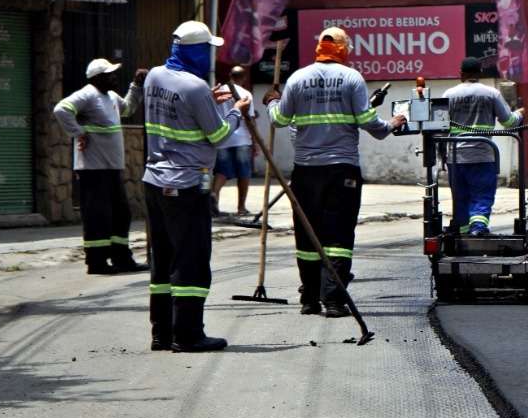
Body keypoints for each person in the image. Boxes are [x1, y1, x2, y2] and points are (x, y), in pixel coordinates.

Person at [264, 26, 405, 317]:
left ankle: (310, 299)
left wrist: (272, 101)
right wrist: (391, 125)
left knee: (307, 235)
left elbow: (279, 120)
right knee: (338, 236)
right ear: (342, 48)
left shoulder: (297, 78)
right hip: (342, 171)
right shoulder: (351, 78)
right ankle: (333, 300)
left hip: (305, 171)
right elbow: (369, 122)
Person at [141, 20, 251, 353]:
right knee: (191, 259)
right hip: (186, 183)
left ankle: (162, 332)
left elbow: (182, 113)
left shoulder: (154, 77)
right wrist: (235, 111)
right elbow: (218, 136)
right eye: (207, 50)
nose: (210, 57)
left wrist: (212, 103)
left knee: (162, 259)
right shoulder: (195, 87)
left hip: (154, 181)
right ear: (196, 51)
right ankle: (188, 335)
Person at [52, 57, 145, 275]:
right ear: (98, 78)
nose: (114, 77)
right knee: (98, 216)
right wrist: (78, 132)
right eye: (110, 74)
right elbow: (61, 109)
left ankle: (121, 258)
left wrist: (136, 86)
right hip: (93, 170)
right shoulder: (87, 94)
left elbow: (128, 109)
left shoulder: (111, 96)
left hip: (112, 168)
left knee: (121, 214)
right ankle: (97, 262)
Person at [443, 57, 523, 237]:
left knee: (460, 198)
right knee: (482, 196)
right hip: (483, 155)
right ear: (480, 74)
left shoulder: (448, 94)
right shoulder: (491, 93)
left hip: (456, 158)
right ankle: (478, 229)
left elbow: (439, 126)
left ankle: (462, 234)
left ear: (461, 74)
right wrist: (519, 114)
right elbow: (509, 121)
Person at [210, 65, 259, 217]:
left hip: (222, 137)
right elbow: (249, 119)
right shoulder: (246, 94)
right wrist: (255, 141)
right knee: (244, 173)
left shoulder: (217, 92)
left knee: (221, 171)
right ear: (244, 78)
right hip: (242, 139)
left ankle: (213, 197)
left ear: (230, 75)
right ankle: (241, 207)